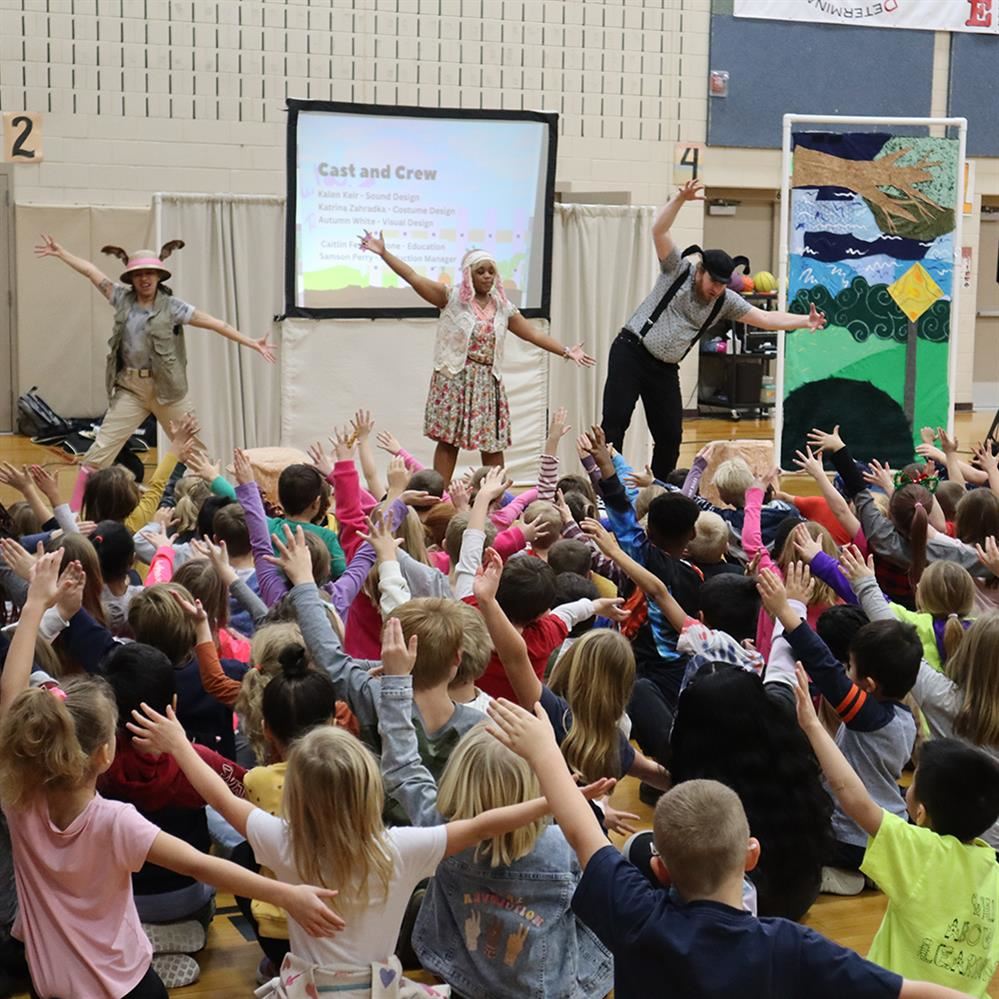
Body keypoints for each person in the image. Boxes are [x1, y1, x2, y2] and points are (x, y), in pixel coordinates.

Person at [0, 552, 343, 999]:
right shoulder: (116, 821)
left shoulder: (19, 801)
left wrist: (34, 608)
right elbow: (206, 863)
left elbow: (10, 694)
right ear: (103, 754)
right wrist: (288, 896)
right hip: (126, 985)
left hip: (54, 985)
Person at [485, 698, 970, 999]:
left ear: (660, 868)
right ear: (751, 856)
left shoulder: (635, 913)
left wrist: (545, 750)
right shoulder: (788, 946)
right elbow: (909, 991)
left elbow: (579, 829)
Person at [795, 664, 999, 998]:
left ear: (920, 813)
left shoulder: (921, 852)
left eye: (913, 781)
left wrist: (812, 725)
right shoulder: (992, 868)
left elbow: (852, 796)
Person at [599, 179, 826, 480]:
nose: (717, 289)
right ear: (700, 271)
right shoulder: (677, 271)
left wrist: (803, 321)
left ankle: (659, 493)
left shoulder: (726, 301)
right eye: (713, 282)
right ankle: (606, 489)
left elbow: (765, 318)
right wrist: (681, 199)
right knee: (614, 424)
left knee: (670, 438)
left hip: (665, 369)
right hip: (631, 351)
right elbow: (658, 230)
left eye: (723, 283)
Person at [358, 234, 595, 483]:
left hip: (486, 382)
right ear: (469, 274)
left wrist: (566, 351)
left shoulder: (502, 306)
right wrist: (384, 254)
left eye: (491, 271)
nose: (486, 276)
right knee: (449, 443)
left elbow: (532, 334)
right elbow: (413, 277)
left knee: (492, 445)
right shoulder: (451, 298)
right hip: (455, 379)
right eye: (480, 271)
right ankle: (439, 499)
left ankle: (494, 500)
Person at [33, 234, 276, 471]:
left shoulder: (173, 307)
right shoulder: (121, 298)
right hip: (131, 389)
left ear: (159, 276)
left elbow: (216, 324)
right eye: (138, 274)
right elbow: (91, 272)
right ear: (131, 278)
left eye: (149, 273)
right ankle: (76, 509)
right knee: (98, 453)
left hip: (168, 391)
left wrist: (252, 343)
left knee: (195, 453)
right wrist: (61, 253)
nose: (144, 278)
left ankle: (212, 505)